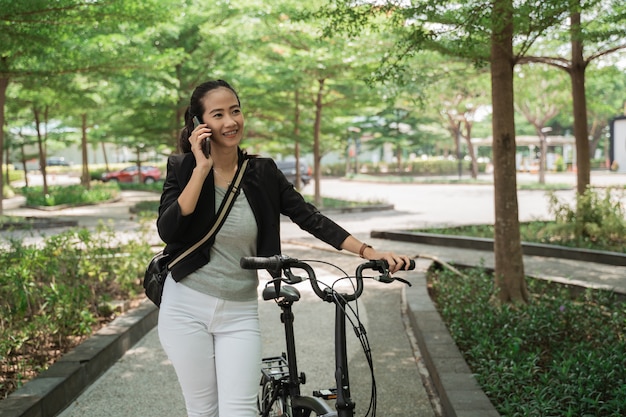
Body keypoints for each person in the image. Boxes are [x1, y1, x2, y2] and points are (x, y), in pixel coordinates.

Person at [156, 79, 412, 417]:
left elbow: (310, 218)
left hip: (238, 312)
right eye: (217, 115)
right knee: (204, 410)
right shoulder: (182, 168)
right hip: (185, 307)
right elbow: (168, 229)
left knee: (239, 411)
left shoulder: (262, 172)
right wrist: (201, 169)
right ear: (198, 124)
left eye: (235, 111)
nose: (230, 122)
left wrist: (368, 252)